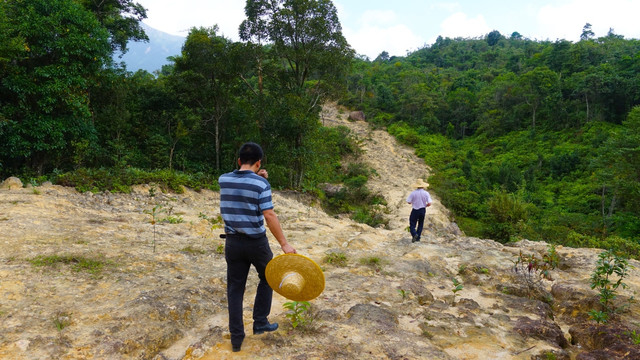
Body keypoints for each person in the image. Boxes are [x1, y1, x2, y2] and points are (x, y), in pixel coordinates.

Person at [218, 142, 296, 352]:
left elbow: (242, 187)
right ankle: (260, 321)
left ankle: (236, 338)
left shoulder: (223, 180)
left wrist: (256, 178)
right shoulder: (261, 185)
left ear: (239, 161)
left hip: (232, 242)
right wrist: (284, 244)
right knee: (269, 276)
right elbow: (269, 215)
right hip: (256, 243)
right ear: (259, 162)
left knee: (235, 288)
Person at [406, 178, 432, 243]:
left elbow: (408, 201)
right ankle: (418, 238)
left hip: (415, 209)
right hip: (422, 209)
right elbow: (429, 203)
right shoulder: (426, 193)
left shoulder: (413, 193)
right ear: (423, 186)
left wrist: (413, 202)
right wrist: (425, 205)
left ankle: (414, 234)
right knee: (420, 223)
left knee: (412, 223)